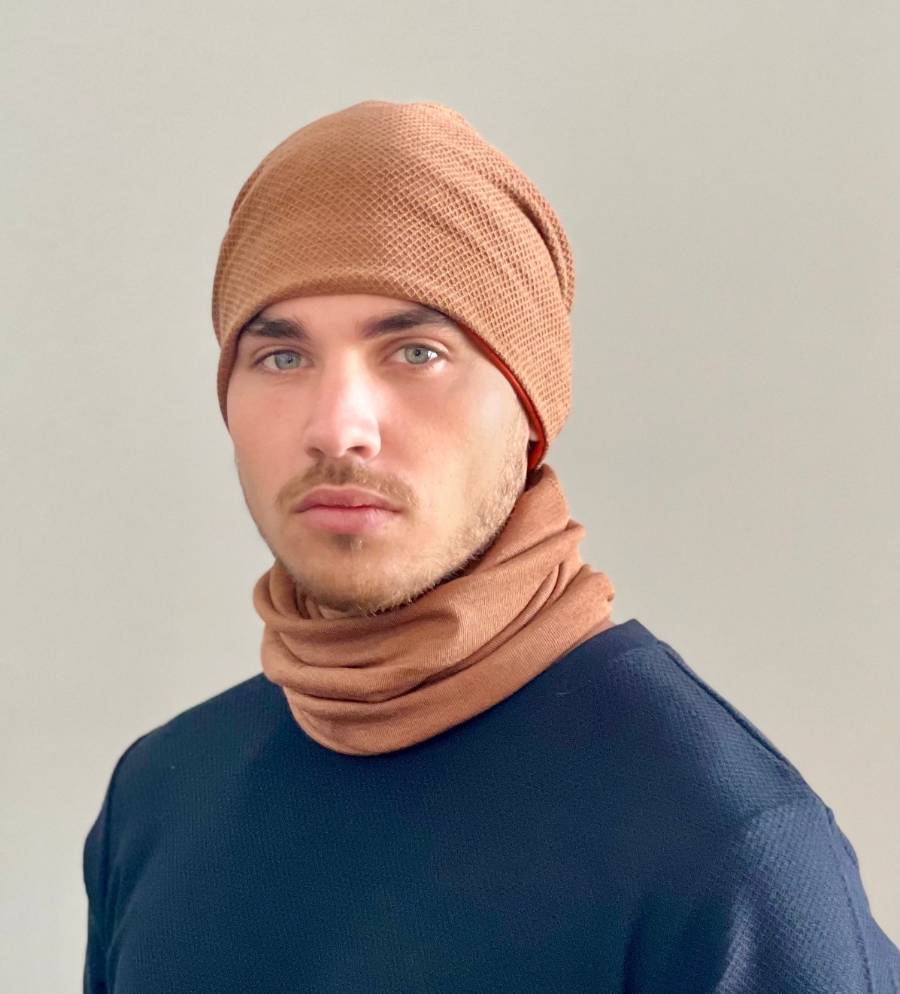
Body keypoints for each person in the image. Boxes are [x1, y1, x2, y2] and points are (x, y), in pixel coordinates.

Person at [83, 101, 898, 994]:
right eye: (282, 358)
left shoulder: (725, 850)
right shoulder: (158, 799)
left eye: (416, 353)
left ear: (530, 411)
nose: (338, 427)